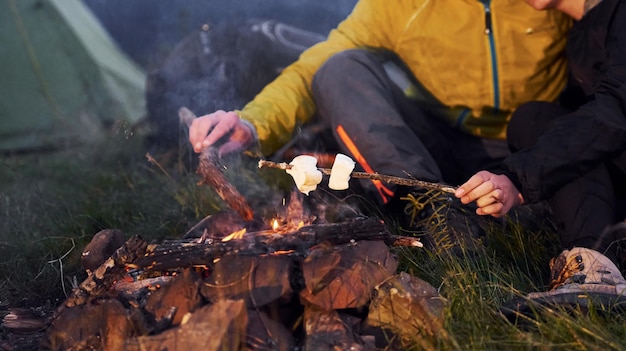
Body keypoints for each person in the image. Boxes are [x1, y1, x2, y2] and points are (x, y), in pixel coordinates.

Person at [188, 0, 571, 212]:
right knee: (338, 69)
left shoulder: (546, 2)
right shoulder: (401, 4)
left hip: (529, 141)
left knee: (546, 118)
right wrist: (253, 122)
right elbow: (315, 67)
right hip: (432, 141)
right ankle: (428, 208)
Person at [455, 0, 626, 302]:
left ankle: (596, 275)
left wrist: (517, 177)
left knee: (537, 120)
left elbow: (616, 110)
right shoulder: (581, 38)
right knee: (535, 119)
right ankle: (594, 268)